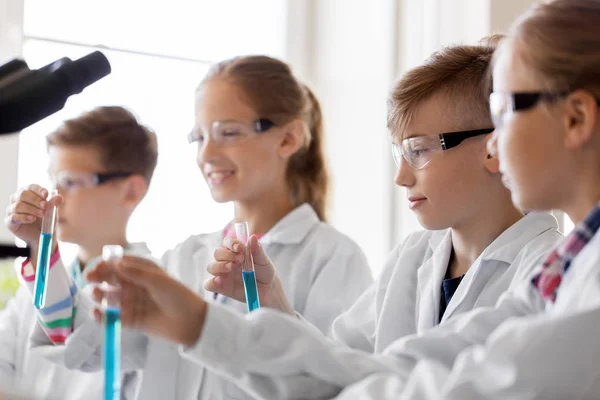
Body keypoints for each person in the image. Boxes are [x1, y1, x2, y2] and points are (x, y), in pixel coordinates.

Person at [30, 55, 373, 399]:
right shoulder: (184, 259)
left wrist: (274, 309)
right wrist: (41, 246)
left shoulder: (333, 257)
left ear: (288, 139)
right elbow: (87, 345)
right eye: (198, 137)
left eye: (228, 133)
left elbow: (337, 380)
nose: (206, 154)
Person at [2, 106, 157, 399]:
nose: (53, 197)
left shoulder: (151, 294)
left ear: (131, 191)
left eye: (70, 182)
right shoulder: (31, 295)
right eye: (53, 180)